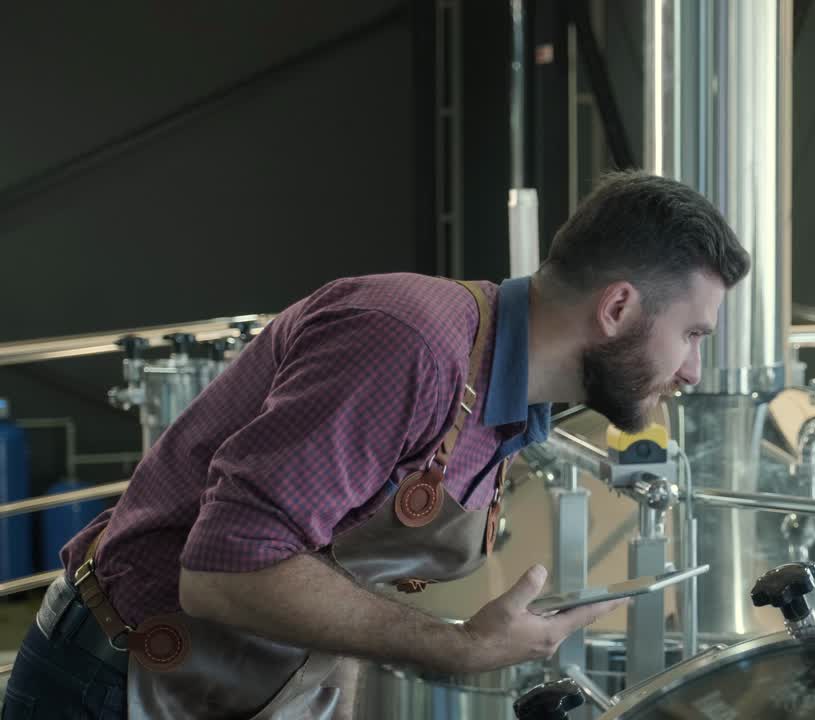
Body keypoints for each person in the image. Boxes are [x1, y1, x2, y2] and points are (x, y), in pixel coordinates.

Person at [1, 170, 751, 719]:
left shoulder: (507, 404)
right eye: (692, 334)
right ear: (617, 306)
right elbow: (225, 570)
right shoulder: (410, 343)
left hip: (242, 692)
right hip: (117, 686)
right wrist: (459, 646)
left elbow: (339, 568)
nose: (692, 370)